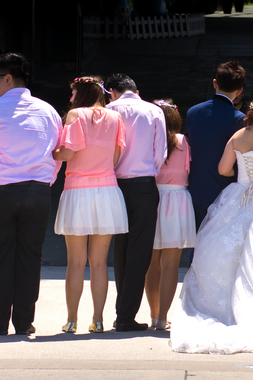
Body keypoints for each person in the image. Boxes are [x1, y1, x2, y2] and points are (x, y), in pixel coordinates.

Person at [171, 92, 253, 354]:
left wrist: (242, 175)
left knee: (228, 256)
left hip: (238, 197)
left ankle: (227, 310)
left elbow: (223, 169)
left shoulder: (238, 136)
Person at [0, 53, 63, 336]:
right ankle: (24, 321)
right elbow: (57, 153)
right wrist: (46, 181)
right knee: (30, 256)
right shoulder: (48, 111)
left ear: (8, 78)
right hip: (37, 191)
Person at [52, 76, 128, 334]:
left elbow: (68, 154)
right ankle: (97, 320)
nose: (71, 98)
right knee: (100, 263)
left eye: (73, 93)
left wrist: (52, 151)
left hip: (78, 190)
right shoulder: (115, 118)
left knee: (75, 263)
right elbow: (117, 156)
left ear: (80, 92)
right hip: (107, 190)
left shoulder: (75, 115)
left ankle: (71, 320)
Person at [105, 73, 167, 332]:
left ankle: (124, 311)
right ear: (135, 90)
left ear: (112, 91)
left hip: (114, 183)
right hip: (143, 184)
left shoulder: (108, 110)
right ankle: (126, 313)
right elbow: (160, 152)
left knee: (120, 248)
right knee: (140, 251)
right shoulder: (153, 110)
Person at [145, 99, 196, 331]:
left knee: (151, 262)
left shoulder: (148, 140)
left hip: (153, 198)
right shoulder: (184, 142)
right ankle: (163, 317)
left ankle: (154, 314)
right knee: (171, 264)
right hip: (177, 201)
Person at [186, 61, 246, 230]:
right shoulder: (238, 118)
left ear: (215, 83)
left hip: (195, 187)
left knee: (197, 243)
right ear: (240, 90)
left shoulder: (193, 112)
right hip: (224, 191)